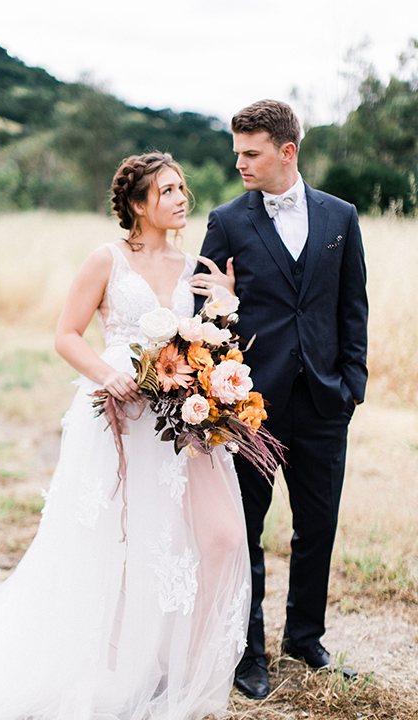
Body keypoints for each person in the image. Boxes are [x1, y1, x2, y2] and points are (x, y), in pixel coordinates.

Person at [0, 152, 251, 720]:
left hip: (180, 421)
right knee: (119, 545)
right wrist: (110, 375)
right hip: (118, 416)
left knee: (220, 537)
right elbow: (66, 335)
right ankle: (116, 669)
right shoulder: (105, 260)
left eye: (183, 188)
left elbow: (208, 341)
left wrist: (224, 303)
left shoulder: (192, 268)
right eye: (169, 191)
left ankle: (184, 671)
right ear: (138, 205)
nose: (183, 198)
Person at [192, 100, 368, 699]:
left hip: (325, 402)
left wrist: (352, 387)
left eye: (250, 152)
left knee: (317, 527)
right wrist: (220, 396)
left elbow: (352, 308)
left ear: (286, 152)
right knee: (246, 530)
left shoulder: (340, 217)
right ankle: (248, 651)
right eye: (236, 151)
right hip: (250, 410)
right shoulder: (226, 221)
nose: (238, 161)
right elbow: (200, 318)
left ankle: (306, 638)